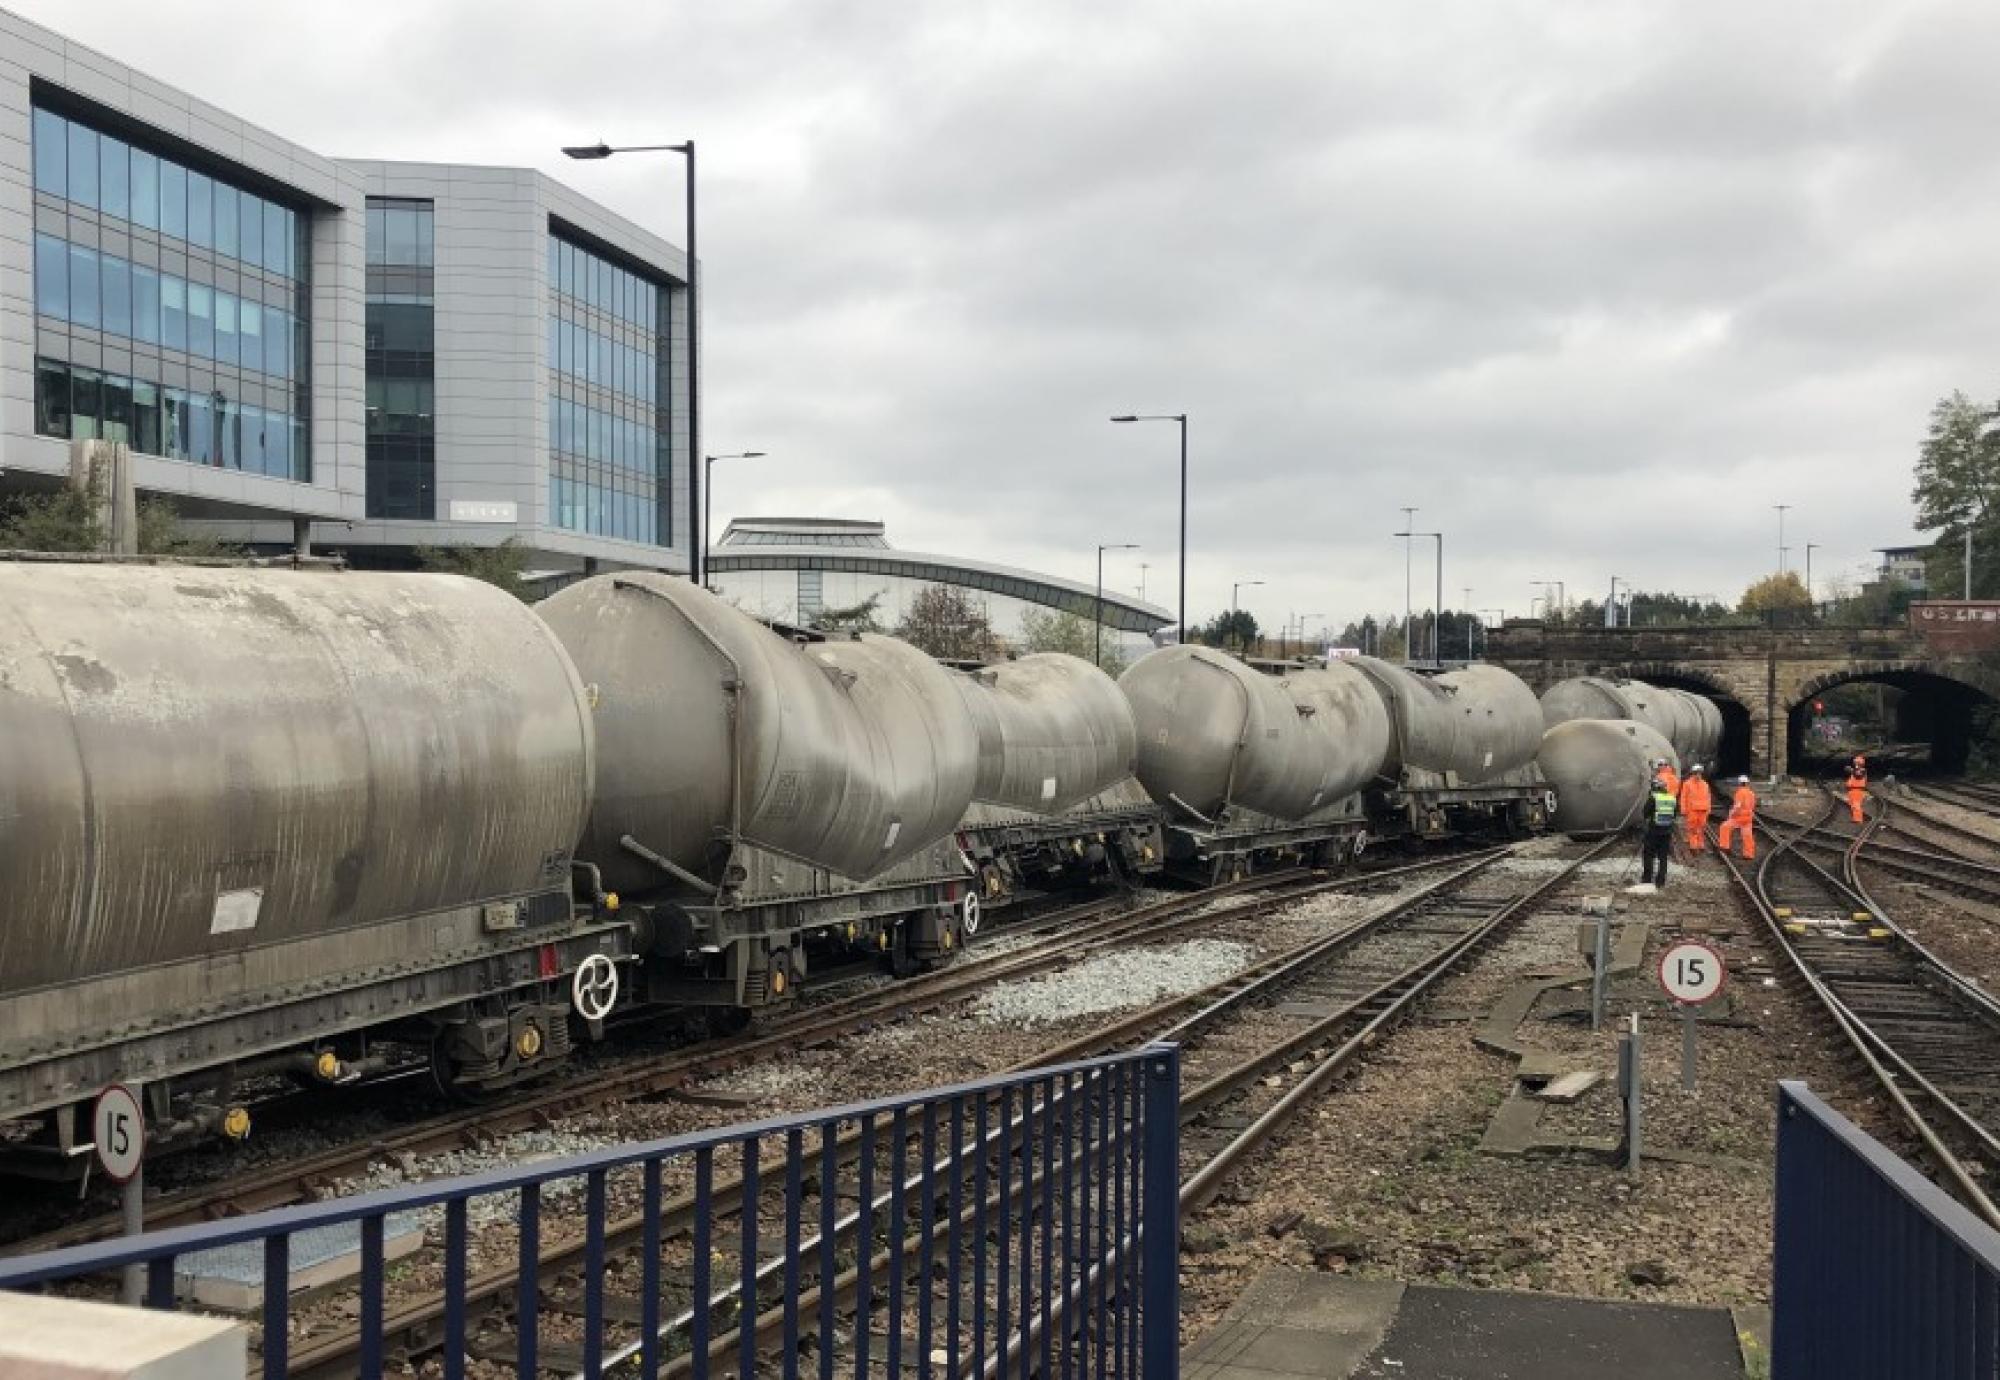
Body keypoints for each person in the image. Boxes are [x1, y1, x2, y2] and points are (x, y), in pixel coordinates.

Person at [1640, 771, 1678, 888]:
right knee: (1663, 857)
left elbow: (1645, 813)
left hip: (1653, 831)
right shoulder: (1672, 798)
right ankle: (1660, 881)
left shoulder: (1653, 798)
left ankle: (1647, 879)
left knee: (1648, 854)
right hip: (1666, 832)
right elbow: (1675, 814)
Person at [1718, 775, 1758, 859]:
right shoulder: (1751, 793)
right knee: (1747, 836)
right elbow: (1753, 806)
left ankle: (1725, 846)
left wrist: (1731, 813)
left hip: (1739, 817)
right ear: (1747, 783)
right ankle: (1749, 854)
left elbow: (1737, 806)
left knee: (1724, 827)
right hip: (1748, 818)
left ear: (1739, 783)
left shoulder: (1740, 792)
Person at [1679, 763, 1712, 852]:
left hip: (1703, 810)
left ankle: (1700, 845)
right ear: (1693, 773)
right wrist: (1683, 809)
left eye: (1700, 773)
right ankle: (1693, 846)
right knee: (1692, 828)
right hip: (1692, 810)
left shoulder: (1705, 784)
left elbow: (1708, 797)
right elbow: (1683, 797)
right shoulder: (1687, 784)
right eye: (1697, 773)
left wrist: (1709, 808)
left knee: (1701, 828)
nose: (1698, 775)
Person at [1845, 754, 1868, 825]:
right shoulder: (1857, 770)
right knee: (1853, 805)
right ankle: (1855, 818)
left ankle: (1858, 819)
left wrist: (1852, 770)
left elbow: (1858, 775)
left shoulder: (1862, 771)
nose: (1855, 763)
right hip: (1853, 790)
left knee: (1856, 805)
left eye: (1857, 762)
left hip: (1857, 790)